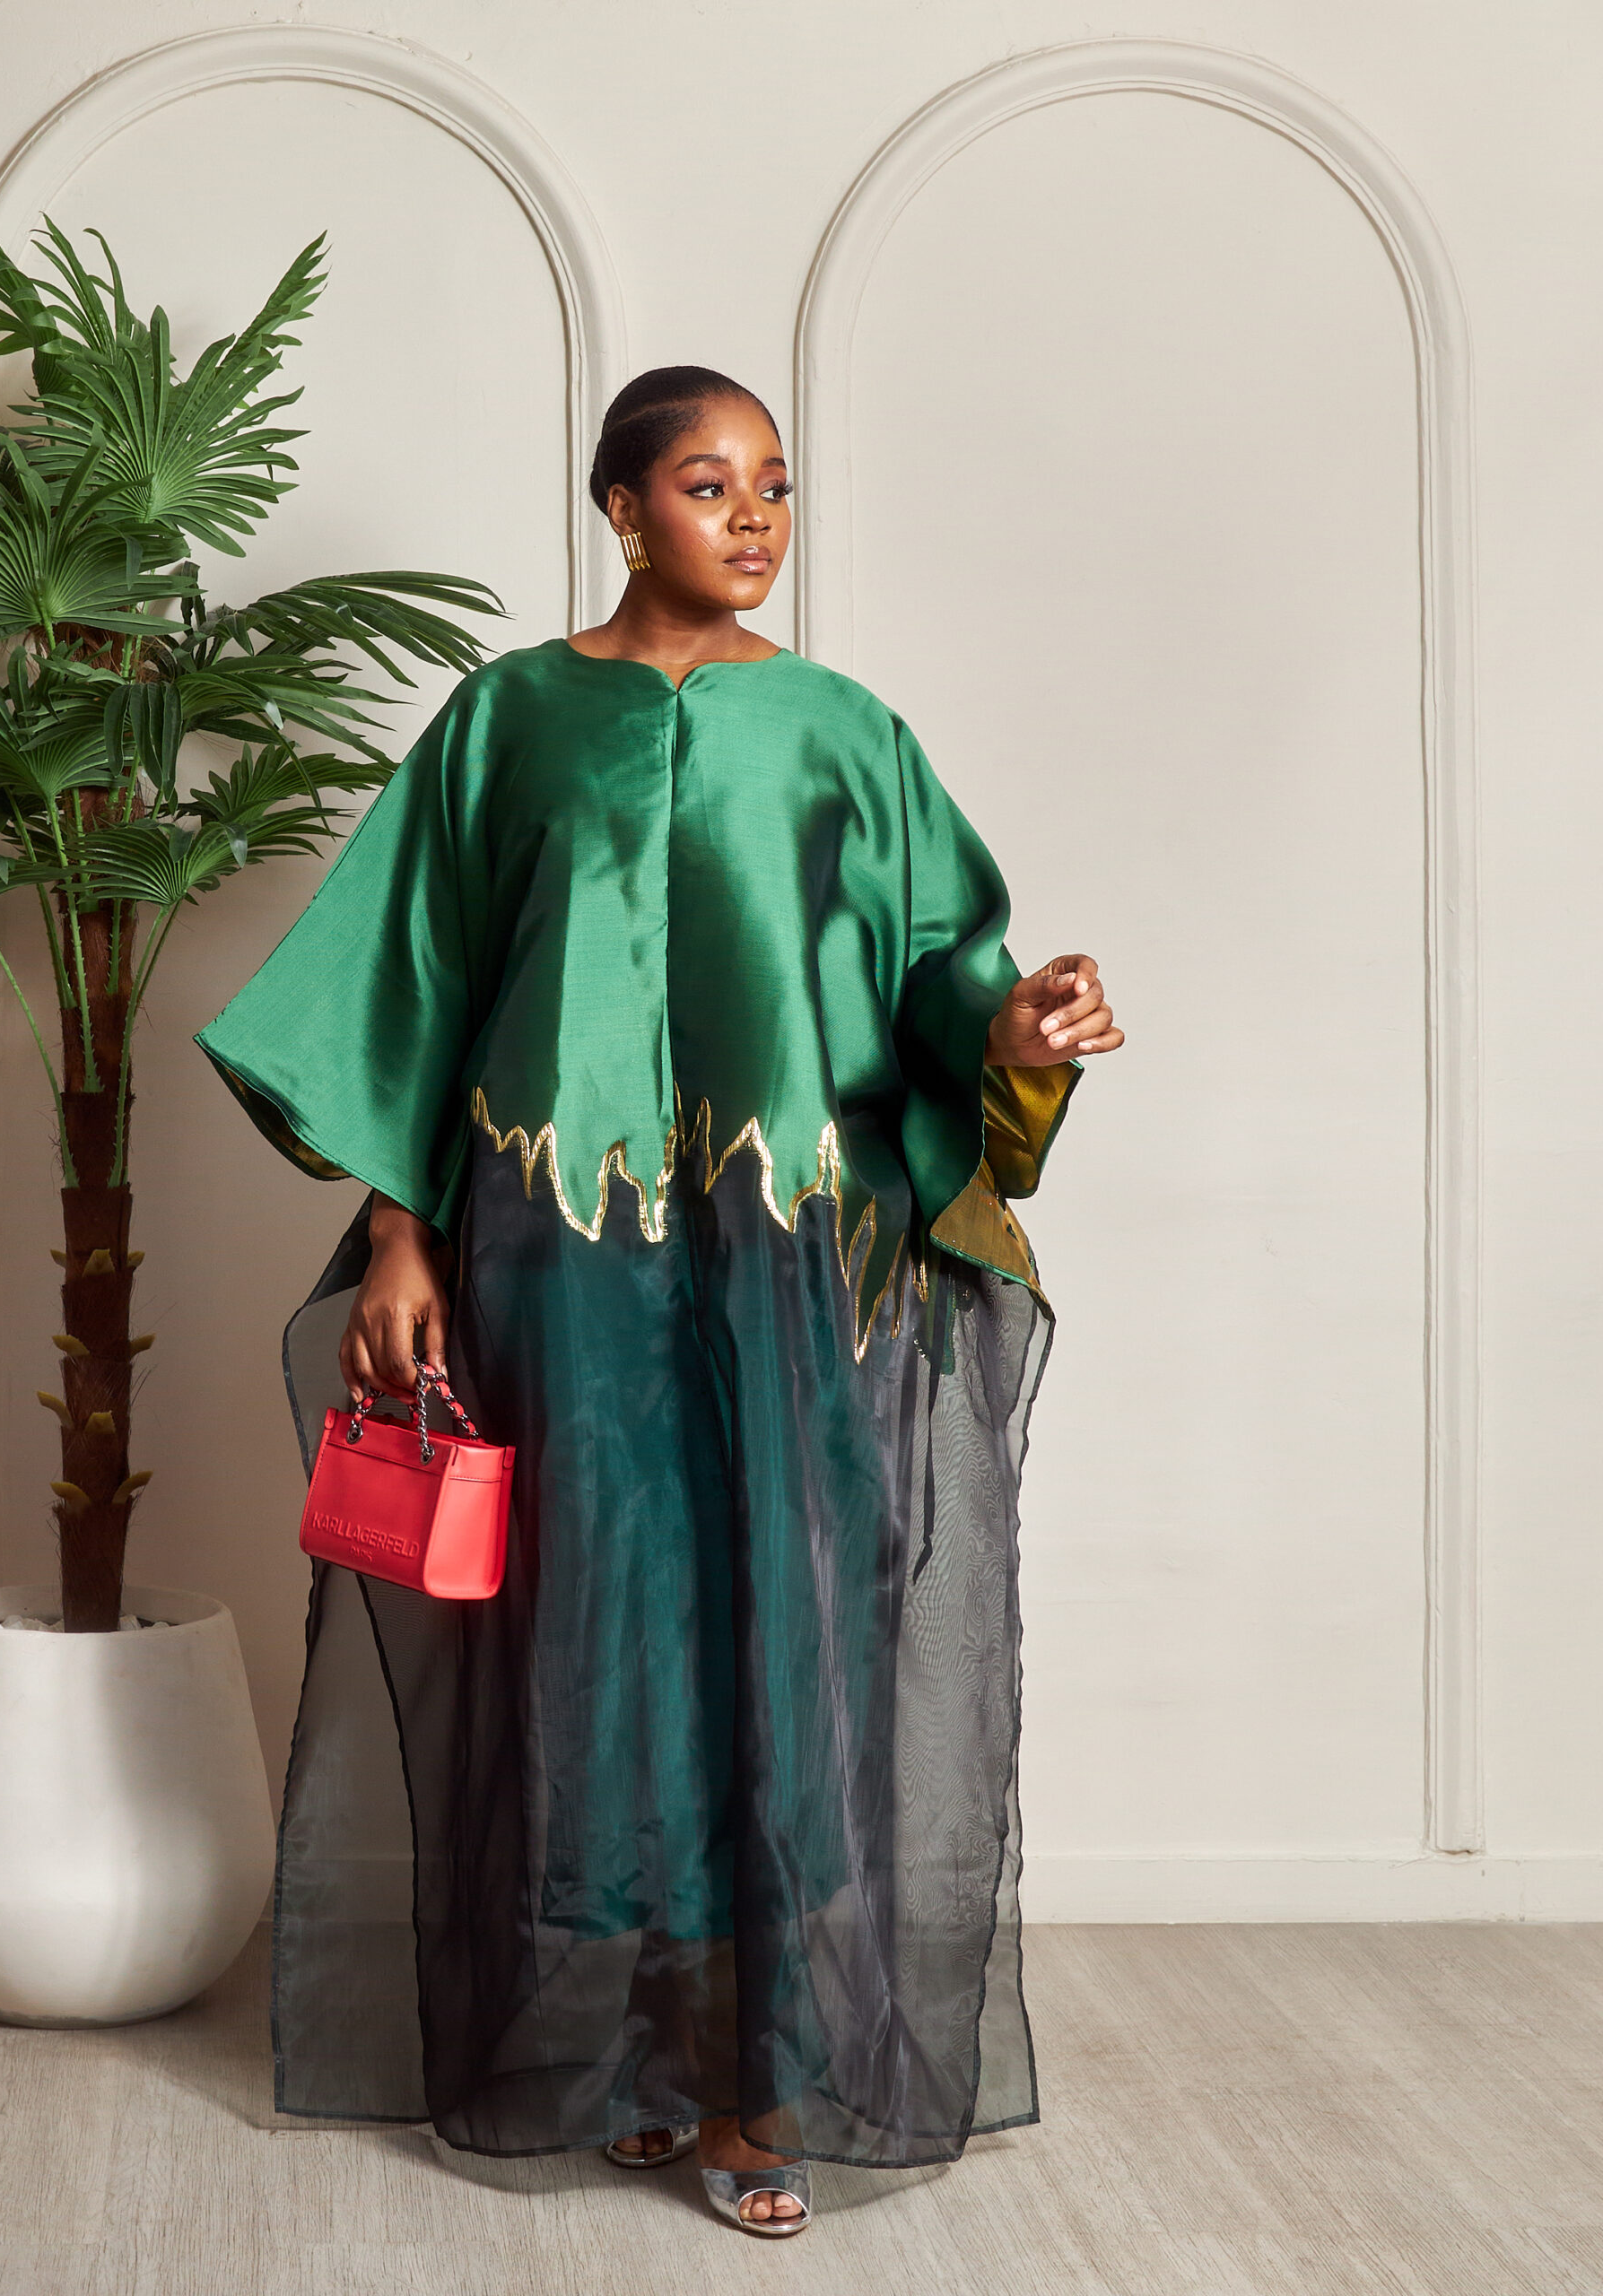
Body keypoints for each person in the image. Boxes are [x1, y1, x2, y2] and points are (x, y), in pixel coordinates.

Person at [194, 366, 1123, 2239]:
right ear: (621, 507)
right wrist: (402, 1238)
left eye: (775, 483)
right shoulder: (507, 721)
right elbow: (418, 989)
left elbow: (944, 976)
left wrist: (1017, 1031)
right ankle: (636, 2053)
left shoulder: (845, 733)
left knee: (794, 1633)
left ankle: (766, 2082)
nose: (755, 515)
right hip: (559, 1255)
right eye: (710, 483)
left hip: (791, 1263)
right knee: (594, 1645)